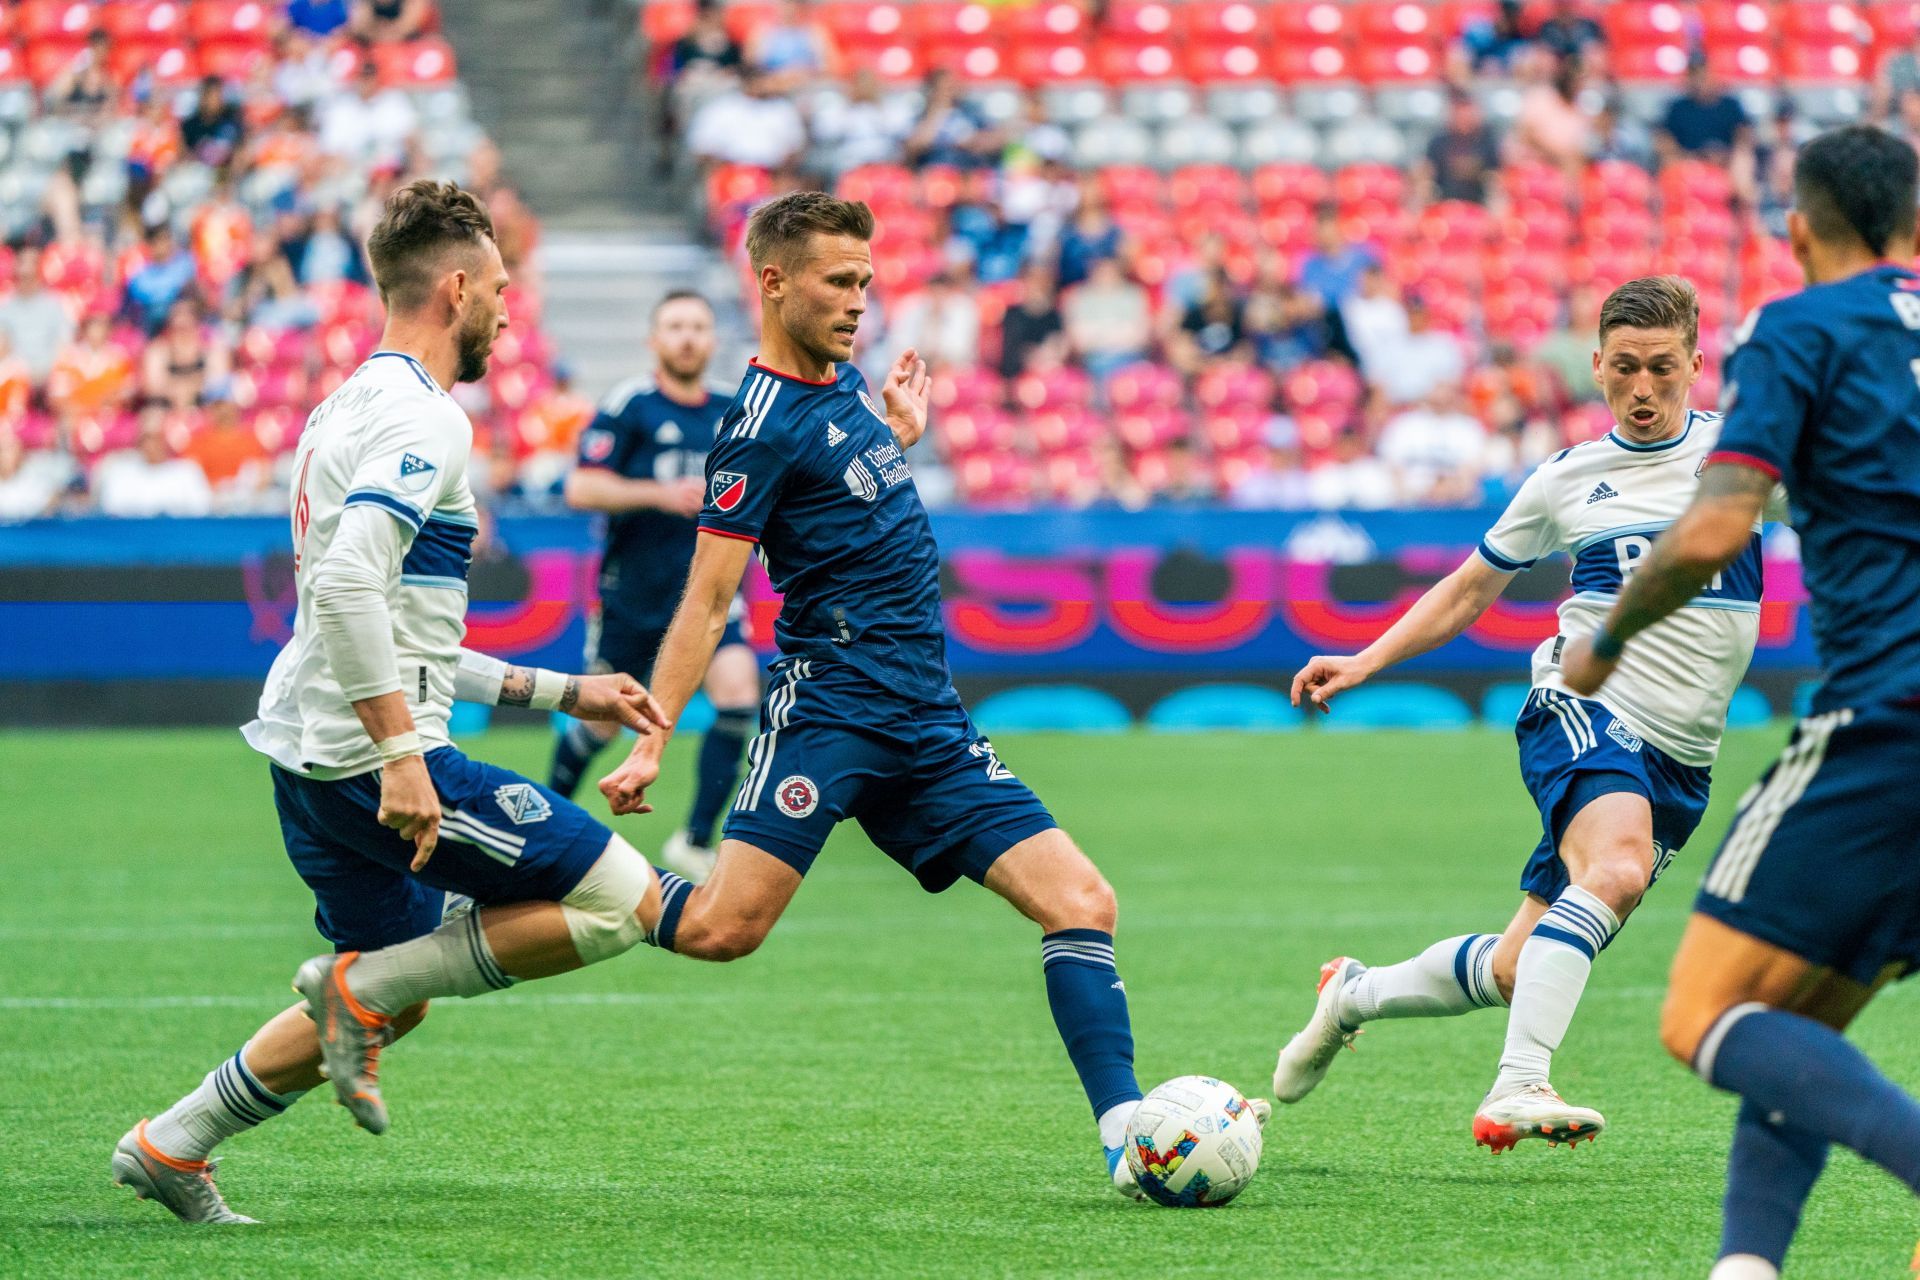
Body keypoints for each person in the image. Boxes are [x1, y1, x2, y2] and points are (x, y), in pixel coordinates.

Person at [596, 191, 1266, 1199]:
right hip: (833, 713)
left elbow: (844, 511)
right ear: (773, 282)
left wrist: (894, 435)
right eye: (839, 280)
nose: (861, 300)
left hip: (928, 718)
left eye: (866, 280)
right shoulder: (755, 429)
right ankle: (573, 875)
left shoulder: (847, 384)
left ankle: (1126, 1133)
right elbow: (707, 598)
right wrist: (653, 736)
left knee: (1082, 899)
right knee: (722, 929)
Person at [111, 181, 675, 1224]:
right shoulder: (427, 417)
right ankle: (347, 991)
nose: (510, 311)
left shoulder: (347, 403)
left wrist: (565, 688)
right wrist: (406, 757)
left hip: (308, 746)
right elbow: (344, 586)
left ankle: (171, 1140)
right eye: (501, 289)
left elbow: (403, 633)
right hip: (373, 757)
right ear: (456, 288)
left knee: (395, 986)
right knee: (619, 903)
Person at [1276, 276, 1787, 1153]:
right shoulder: (1567, 478)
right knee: (1618, 869)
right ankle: (1519, 1086)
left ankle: (1352, 994)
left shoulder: (1744, 464)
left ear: (1697, 367)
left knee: (1519, 967)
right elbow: (1471, 588)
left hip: (1684, 756)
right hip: (1584, 706)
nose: (1642, 388)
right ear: (1595, 367)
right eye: (1624, 368)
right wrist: (1364, 660)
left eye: (1662, 369)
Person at [1561, 125, 1920, 1280]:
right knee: (1796, 1019)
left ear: (1800, 230)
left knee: (1701, 1012)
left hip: (1892, 718)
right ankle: (1745, 1267)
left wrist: (1604, 643)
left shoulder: (1803, 327)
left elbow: (1718, 522)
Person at [547, 290, 761, 883]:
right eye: (675, 326)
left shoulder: (735, 410)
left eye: (698, 326)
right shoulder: (630, 405)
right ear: (654, 340)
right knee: (600, 726)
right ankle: (544, 818)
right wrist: (658, 495)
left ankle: (694, 840)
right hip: (634, 598)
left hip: (710, 594)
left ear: (713, 340)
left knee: (739, 696)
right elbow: (581, 488)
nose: (687, 337)